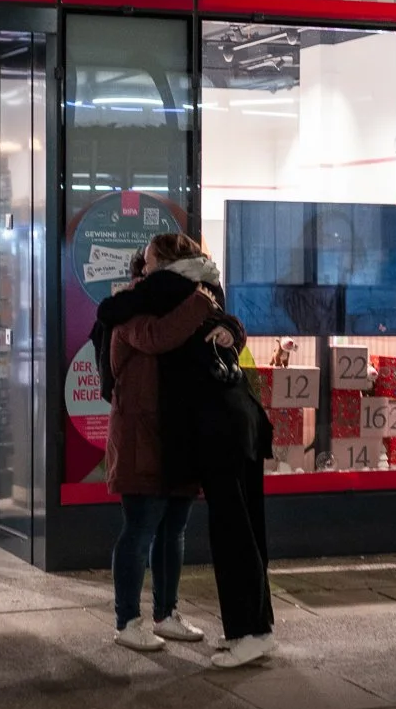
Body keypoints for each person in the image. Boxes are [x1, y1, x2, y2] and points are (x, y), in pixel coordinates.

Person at [124, 232, 276, 671]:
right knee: (247, 526)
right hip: (238, 415)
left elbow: (143, 329)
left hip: (217, 423)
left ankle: (250, 633)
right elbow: (227, 330)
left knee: (232, 531)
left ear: (169, 262)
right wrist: (230, 329)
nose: (144, 268)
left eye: (150, 260)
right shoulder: (205, 289)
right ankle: (255, 628)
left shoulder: (173, 292)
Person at [95, 244, 225, 652]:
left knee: (173, 531)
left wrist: (229, 328)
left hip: (180, 435)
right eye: (146, 259)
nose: (145, 263)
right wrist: (201, 304)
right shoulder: (129, 305)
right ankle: (126, 621)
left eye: (153, 257)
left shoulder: (197, 302)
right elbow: (156, 337)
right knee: (139, 530)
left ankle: (166, 615)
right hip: (141, 435)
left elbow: (227, 333)